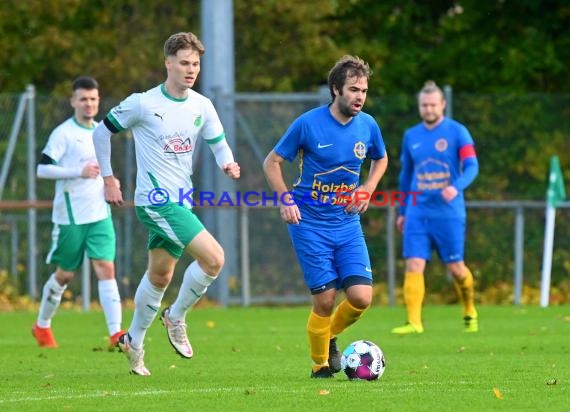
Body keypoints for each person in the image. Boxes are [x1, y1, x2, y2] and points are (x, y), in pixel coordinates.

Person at [93, 32, 240, 376]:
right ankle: (175, 317)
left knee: (160, 275)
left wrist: (228, 163)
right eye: (185, 63)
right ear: (168, 63)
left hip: (182, 202)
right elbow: (102, 132)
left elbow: (218, 142)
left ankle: (134, 340)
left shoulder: (201, 105)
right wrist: (108, 177)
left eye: (196, 64)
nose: (191, 70)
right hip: (156, 202)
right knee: (215, 258)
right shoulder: (143, 103)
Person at [263, 55, 388, 378]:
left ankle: (329, 334)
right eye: (353, 89)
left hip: (347, 223)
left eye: (364, 90)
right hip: (309, 224)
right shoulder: (308, 124)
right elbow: (272, 162)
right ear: (336, 90)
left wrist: (369, 187)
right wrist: (285, 199)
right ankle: (320, 366)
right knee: (325, 299)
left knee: (361, 297)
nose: (359, 96)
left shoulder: (368, 125)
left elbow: (381, 158)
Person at [33, 76, 125, 350]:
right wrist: (78, 172)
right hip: (71, 215)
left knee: (106, 268)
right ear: (73, 101)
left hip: (99, 212)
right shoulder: (63, 133)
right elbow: (42, 169)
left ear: (98, 102)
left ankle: (116, 334)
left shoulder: (101, 132)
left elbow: (101, 168)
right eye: (83, 99)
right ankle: (42, 326)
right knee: (65, 275)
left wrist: (111, 182)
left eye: (93, 99)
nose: (88, 104)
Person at [391, 80, 479, 335]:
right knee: (414, 264)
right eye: (423, 105)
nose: (428, 109)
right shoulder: (411, 136)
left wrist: (457, 186)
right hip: (418, 211)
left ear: (443, 105)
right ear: (419, 107)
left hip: (448, 212)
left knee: (456, 268)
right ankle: (414, 322)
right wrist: (403, 211)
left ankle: (469, 308)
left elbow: (472, 166)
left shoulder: (458, 132)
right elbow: (406, 177)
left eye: (432, 104)